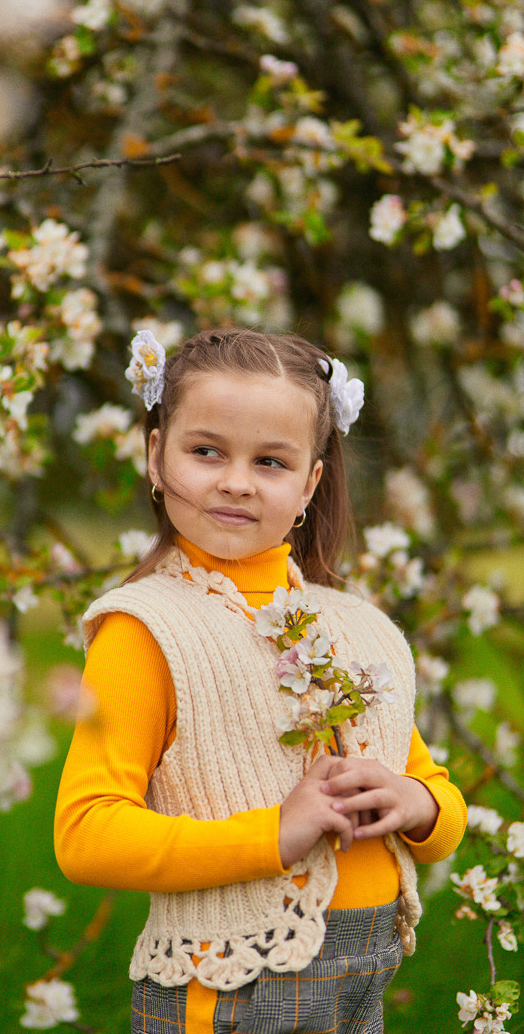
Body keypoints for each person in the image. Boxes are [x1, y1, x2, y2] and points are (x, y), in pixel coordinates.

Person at [54, 327, 466, 1034]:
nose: (237, 480)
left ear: (310, 481)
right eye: (206, 450)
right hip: (230, 988)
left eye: (271, 461)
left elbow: (435, 791)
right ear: (156, 456)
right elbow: (86, 834)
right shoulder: (147, 630)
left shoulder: (355, 628)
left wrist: (416, 805)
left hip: (363, 971)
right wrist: (273, 833)